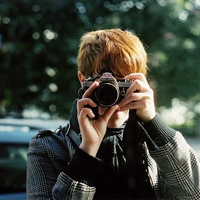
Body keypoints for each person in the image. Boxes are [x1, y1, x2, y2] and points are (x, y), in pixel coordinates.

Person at [27, 29, 200, 200]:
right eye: (103, 80)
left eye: (122, 80)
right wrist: (87, 151)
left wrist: (153, 121)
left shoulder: (154, 145)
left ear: (140, 81)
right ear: (82, 80)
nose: (113, 88)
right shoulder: (48, 148)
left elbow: (193, 194)